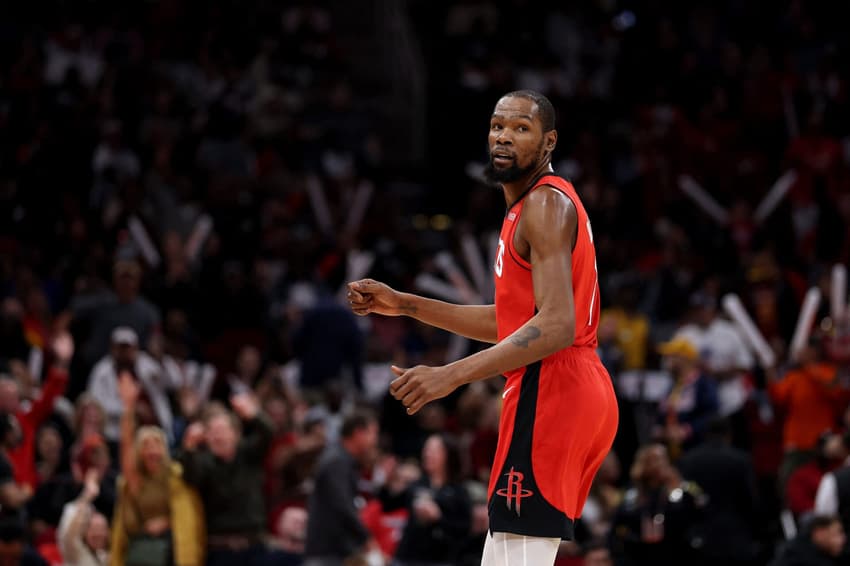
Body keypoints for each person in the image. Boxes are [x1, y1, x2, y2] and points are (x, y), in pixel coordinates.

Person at [347, 90, 618, 565]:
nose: (504, 137)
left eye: (521, 128)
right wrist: (405, 304)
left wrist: (449, 375)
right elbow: (513, 322)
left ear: (548, 141)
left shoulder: (544, 207)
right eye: (497, 126)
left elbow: (555, 326)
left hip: (553, 385)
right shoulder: (529, 208)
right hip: (567, 384)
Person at [111, 373, 205, 566]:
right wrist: (128, 408)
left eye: (156, 444)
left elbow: (189, 516)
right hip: (143, 553)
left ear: (165, 449)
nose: (152, 450)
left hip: (174, 551)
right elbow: (126, 449)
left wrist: (167, 522)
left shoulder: (178, 475)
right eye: (146, 445)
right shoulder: (136, 480)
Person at [179, 393, 273, 566]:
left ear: (236, 434)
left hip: (254, 547)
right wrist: (189, 448)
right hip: (219, 550)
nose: (217, 437)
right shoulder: (202, 462)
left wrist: (253, 414)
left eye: (221, 431)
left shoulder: (249, 455)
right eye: (211, 433)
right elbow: (190, 479)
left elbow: (268, 433)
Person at [304, 410, 379, 566]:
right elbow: (342, 506)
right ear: (359, 433)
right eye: (373, 434)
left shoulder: (342, 460)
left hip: (335, 552)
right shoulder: (336, 461)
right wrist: (366, 538)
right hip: (327, 554)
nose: (375, 441)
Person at [387, 434, 472, 566]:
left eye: (434, 450)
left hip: (441, 559)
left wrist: (439, 518)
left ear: (448, 454)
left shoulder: (459, 492)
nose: (428, 454)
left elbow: (464, 530)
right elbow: (388, 504)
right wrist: (390, 480)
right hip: (408, 557)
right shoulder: (416, 485)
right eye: (426, 450)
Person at [56, 468, 110, 566]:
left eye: (102, 529)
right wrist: (87, 495)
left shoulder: (106, 557)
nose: (98, 534)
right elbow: (69, 534)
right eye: (94, 529)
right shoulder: (75, 554)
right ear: (85, 532)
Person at [770, 514, 846, 566]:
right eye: (836, 534)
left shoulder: (827, 555)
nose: (842, 539)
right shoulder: (796, 558)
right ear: (819, 533)